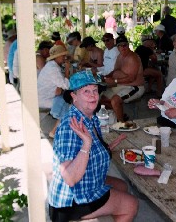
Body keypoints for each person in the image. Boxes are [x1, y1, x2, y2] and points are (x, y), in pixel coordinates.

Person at [48, 70, 138, 222]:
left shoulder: (89, 117)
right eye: (86, 91)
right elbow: (70, 178)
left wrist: (107, 148)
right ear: (73, 96)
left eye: (95, 90)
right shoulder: (70, 126)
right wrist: (87, 144)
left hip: (87, 182)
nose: (93, 95)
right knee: (131, 204)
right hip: (71, 201)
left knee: (122, 186)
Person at [101, 36, 145, 122]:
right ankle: (121, 115)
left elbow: (131, 78)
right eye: (120, 46)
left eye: (125, 45)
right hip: (122, 85)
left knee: (115, 100)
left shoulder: (133, 57)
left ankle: (121, 124)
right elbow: (115, 71)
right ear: (117, 47)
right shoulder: (120, 57)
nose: (123, 47)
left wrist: (114, 81)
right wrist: (105, 77)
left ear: (128, 45)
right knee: (101, 98)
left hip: (135, 87)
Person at [37, 45, 71, 138]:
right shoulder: (53, 68)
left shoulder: (52, 65)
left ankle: (59, 127)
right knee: (68, 102)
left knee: (64, 97)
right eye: (63, 56)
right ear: (57, 57)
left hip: (48, 96)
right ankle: (54, 130)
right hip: (44, 100)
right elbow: (66, 85)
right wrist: (67, 70)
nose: (64, 58)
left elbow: (59, 89)